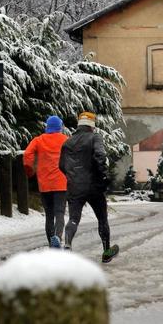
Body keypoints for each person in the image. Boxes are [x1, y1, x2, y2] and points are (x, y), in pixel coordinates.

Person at [59, 111, 119, 264]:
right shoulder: (95, 137)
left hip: (74, 187)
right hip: (94, 186)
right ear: (92, 126)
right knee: (102, 219)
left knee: (73, 218)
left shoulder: (67, 142)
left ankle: (67, 245)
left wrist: (73, 177)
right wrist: (104, 175)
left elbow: (61, 166)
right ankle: (106, 251)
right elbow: (100, 157)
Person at [23, 115, 68, 248]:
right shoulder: (66, 140)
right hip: (61, 183)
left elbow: (27, 155)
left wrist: (29, 171)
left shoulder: (39, 140)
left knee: (49, 214)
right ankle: (58, 238)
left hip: (45, 184)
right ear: (60, 127)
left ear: (47, 126)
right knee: (60, 213)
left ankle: (51, 242)